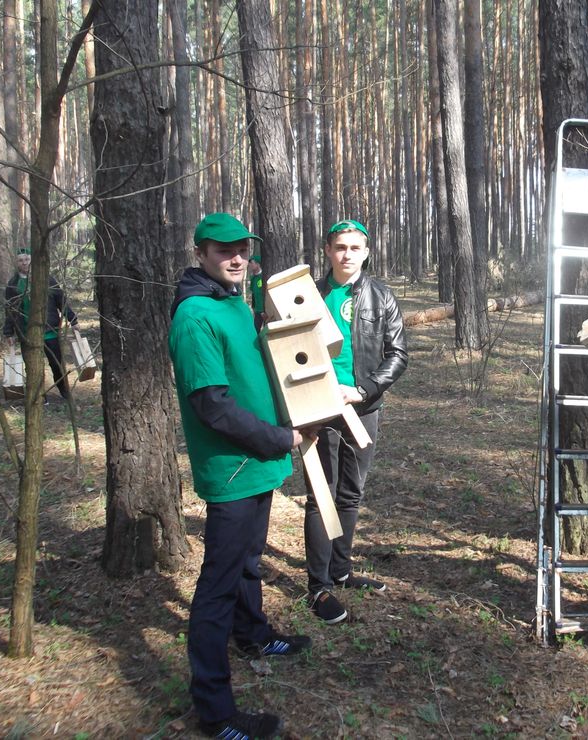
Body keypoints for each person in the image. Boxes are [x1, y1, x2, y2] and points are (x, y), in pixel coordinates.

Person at [169, 212, 312, 739]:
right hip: (231, 472)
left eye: (242, 250)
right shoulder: (194, 316)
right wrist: (278, 438)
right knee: (217, 587)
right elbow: (213, 407)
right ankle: (216, 712)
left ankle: (252, 634)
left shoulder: (234, 304)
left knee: (249, 560)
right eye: (224, 250)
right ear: (202, 253)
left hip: (256, 467)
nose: (236, 257)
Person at [305, 219, 408, 625]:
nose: (347, 254)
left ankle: (341, 570)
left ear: (366, 251)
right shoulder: (310, 294)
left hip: (364, 408)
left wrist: (363, 390)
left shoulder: (381, 297)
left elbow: (397, 354)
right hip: (318, 408)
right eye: (339, 247)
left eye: (355, 247)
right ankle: (318, 587)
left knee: (350, 493)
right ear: (328, 251)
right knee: (321, 495)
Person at [2, 248, 78, 402]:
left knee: (56, 364)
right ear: (17, 263)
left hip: (49, 331)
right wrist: (8, 332)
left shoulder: (46, 279)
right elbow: (10, 310)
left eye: (27, 259)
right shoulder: (13, 284)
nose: (24, 263)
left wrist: (73, 319)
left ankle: (65, 393)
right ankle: (39, 397)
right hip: (26, 333)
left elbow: (60, 300)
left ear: (32, 261)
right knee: (33, 368)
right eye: (21, 260)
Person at [248, 253, 266, 331]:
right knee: (255, 331)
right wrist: (254, 308)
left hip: (264, 311)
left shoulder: (263, 277)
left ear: (258, 264)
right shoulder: (253, 278)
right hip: (257, 311)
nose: (250, 265)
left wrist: (263, 310)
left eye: (252, 263)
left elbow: (262, 295)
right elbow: (254, 294)